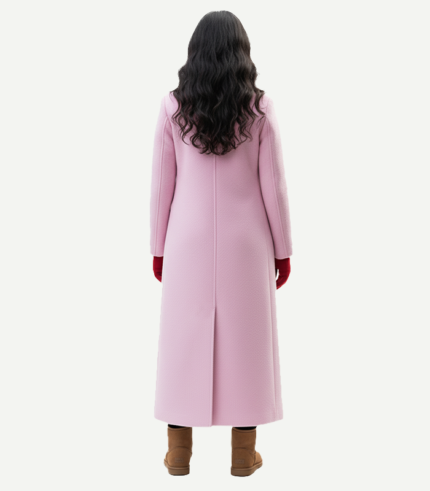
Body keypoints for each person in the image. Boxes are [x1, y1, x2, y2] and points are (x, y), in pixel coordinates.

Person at [149, 10, 292, 477]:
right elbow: (274, 186)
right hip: (246, 243)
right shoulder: (260, 109)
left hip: (186, 240)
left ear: (195, 52)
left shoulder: (173, 107)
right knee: (248, 344)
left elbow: (162, 185)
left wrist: (157, 246)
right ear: (241, 53)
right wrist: (283, 249)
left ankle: (178, 454)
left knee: (182, 342)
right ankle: (243, 455)